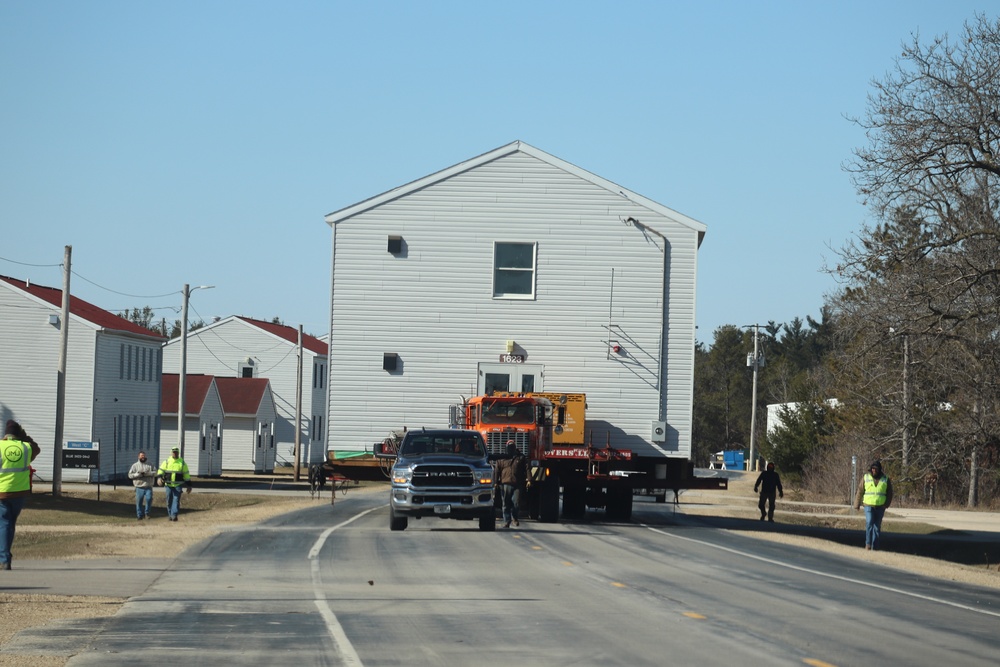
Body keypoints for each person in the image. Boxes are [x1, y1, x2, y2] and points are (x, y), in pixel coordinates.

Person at [0, 420, 41, 570]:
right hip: (20, 493)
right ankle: (6, 556)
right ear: (18, 434)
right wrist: (26, 437)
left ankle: (4, 558)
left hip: (2, 492)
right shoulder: (26, 447)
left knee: (4, 523)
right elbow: (37, 449)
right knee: (10, 524)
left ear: (5, 434)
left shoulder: (0, 446)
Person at [853, 460, 893, 550]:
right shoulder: (866, 477)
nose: (874, 470)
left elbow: (890, 493)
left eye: (876, 469)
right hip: (868, 505)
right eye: (872, 469)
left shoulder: (885, 479)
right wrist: (857, 504)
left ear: (879, 470)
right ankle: (868, 544)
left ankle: (875, 546)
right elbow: (860, 490)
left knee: (877, 526)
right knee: (869, 522)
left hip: (880, 506)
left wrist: (886, 505)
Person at [494, 441, 527, 528]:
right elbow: (497, 471)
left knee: (516, 502)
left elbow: (527, 468)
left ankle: (515, 518)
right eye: (509, 447)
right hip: (505, 484)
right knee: (505, 504)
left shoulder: (521, 457)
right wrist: (495, 482)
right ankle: (506, 521)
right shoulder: (501, 459)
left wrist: (529, 480)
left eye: (512, 447)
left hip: (517, 483)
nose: (511, 449)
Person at [157, 447, 192, 522]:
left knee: (176, 500)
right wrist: (159, 478)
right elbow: (161, 471)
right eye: (173, 452)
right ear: (171, 452)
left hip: (177, 486)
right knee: (169, 501)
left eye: (176, 452)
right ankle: (170, 515)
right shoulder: (166, 461)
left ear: (178, 453)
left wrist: (189, 485)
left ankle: (174, 515)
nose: (175, 453)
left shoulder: (182, 462)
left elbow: (186, 474)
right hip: (168, 485)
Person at [128, 450, 157, 520]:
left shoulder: (150, 464)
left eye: (144, 456)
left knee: (149, 499)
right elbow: (129, 475)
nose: (143, 457)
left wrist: (148, 473)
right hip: (139, 487)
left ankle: (147, 513)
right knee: (139, 501)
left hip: (148, 486)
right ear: (138, 457)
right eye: (141, 456)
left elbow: (156, 473)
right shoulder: (135, 466)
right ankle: (139, 515)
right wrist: (137, 474)